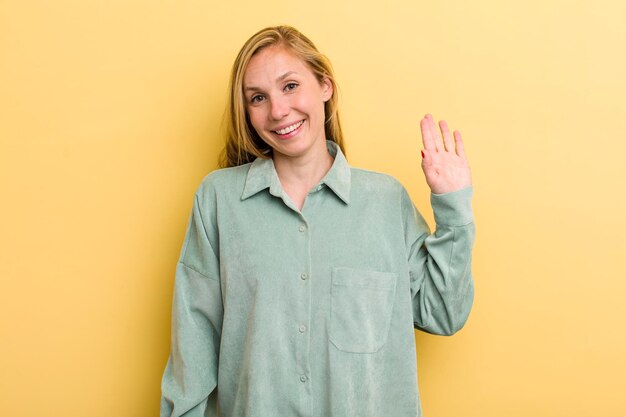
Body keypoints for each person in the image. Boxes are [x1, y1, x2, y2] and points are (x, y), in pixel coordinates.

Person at [160, 25, 474, 417]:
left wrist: (453, 208)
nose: (277, 110)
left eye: (290, 86)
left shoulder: (385, 201)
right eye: (258, 97)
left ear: (324, 85)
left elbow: (443, 314)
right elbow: (193, 344)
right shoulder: (218, 200)